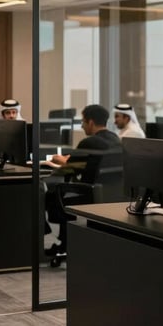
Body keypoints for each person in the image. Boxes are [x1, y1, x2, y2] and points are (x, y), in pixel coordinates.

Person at [45, 104, 122, 257]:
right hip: (111, 195)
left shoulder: (89, 142)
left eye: (83, 122)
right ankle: (65, 242)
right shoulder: (116, 139)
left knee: (50, 195)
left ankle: (64, 242)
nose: (81, 125)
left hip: (89, 195)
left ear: (91, 122)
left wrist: (60, 161)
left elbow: (68, 170)